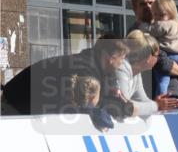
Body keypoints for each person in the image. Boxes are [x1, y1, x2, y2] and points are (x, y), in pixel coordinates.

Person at [0, 36, 129, 116]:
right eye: (122, 58)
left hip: (17, 100)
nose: (122, 63)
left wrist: (111, 94)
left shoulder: (91, 64)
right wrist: (119, 108)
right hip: (15, 106)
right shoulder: (86, 69)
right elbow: (86, 106)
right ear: (111, 58)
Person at [113, 31, 178, 118]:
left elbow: (143, 100)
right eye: (157, 55)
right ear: (148, 57)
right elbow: (126, 107)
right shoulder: (121, 68)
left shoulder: (136, 72)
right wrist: (156, 105)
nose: (158, 58)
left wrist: (161, 105)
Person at [149, 0, 178, 98]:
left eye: (161, 15)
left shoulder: (163, 24)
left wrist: (147, 29)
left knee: (162, 80)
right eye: (155, 14)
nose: (157, 18)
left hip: (169, 55)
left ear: (171, 14)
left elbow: (154, 31)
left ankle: (161, 96)